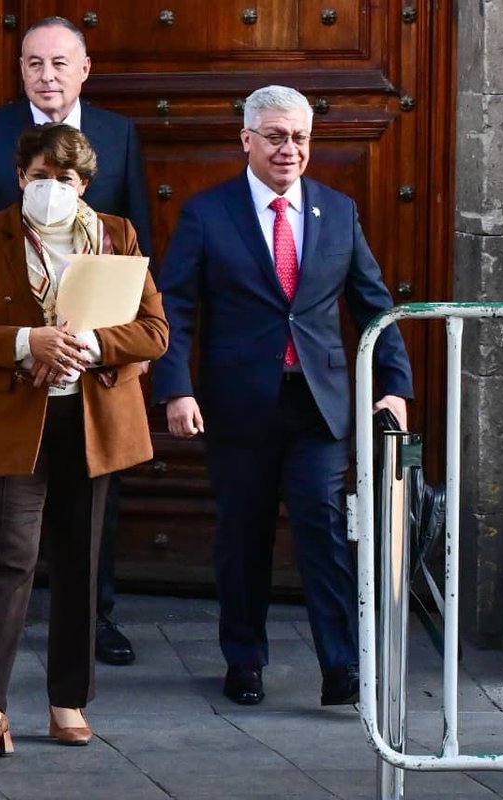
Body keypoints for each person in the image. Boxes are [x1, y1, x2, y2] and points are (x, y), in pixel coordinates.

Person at [151, 85, 412, 708]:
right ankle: (244, 660)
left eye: (299, 137)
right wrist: (175, 388)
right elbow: (175, 307)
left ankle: (342, 667)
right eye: (274, 136)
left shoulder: (337, 211)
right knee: (243, 537)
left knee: (322, 529)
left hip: (317, 404)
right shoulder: (207, 213)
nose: (288, 149)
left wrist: (394, 386)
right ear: (246, 140)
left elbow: (373, 306)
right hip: (238, 404)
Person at [0, 124, 167, 755]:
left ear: (83, 185)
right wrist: (27, 342)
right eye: (38, 177)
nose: (50, 188)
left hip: (91, 422)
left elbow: (154, 330)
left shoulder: (116, 235)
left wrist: (92, 344)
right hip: (16, 422)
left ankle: (67, 700)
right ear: (20, 178)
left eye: (62, 179)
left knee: (80, 561)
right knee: (10, 559)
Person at [0, 14, 152, 666]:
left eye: (60, 62)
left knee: (93, 494)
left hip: (95, 352)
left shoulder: (117, 134)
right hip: (13, 337)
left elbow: (134, 237)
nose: (47, 74)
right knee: (4, 473)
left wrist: (123, 342)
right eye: (35, 62)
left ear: (83, 69)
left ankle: (98, 616)